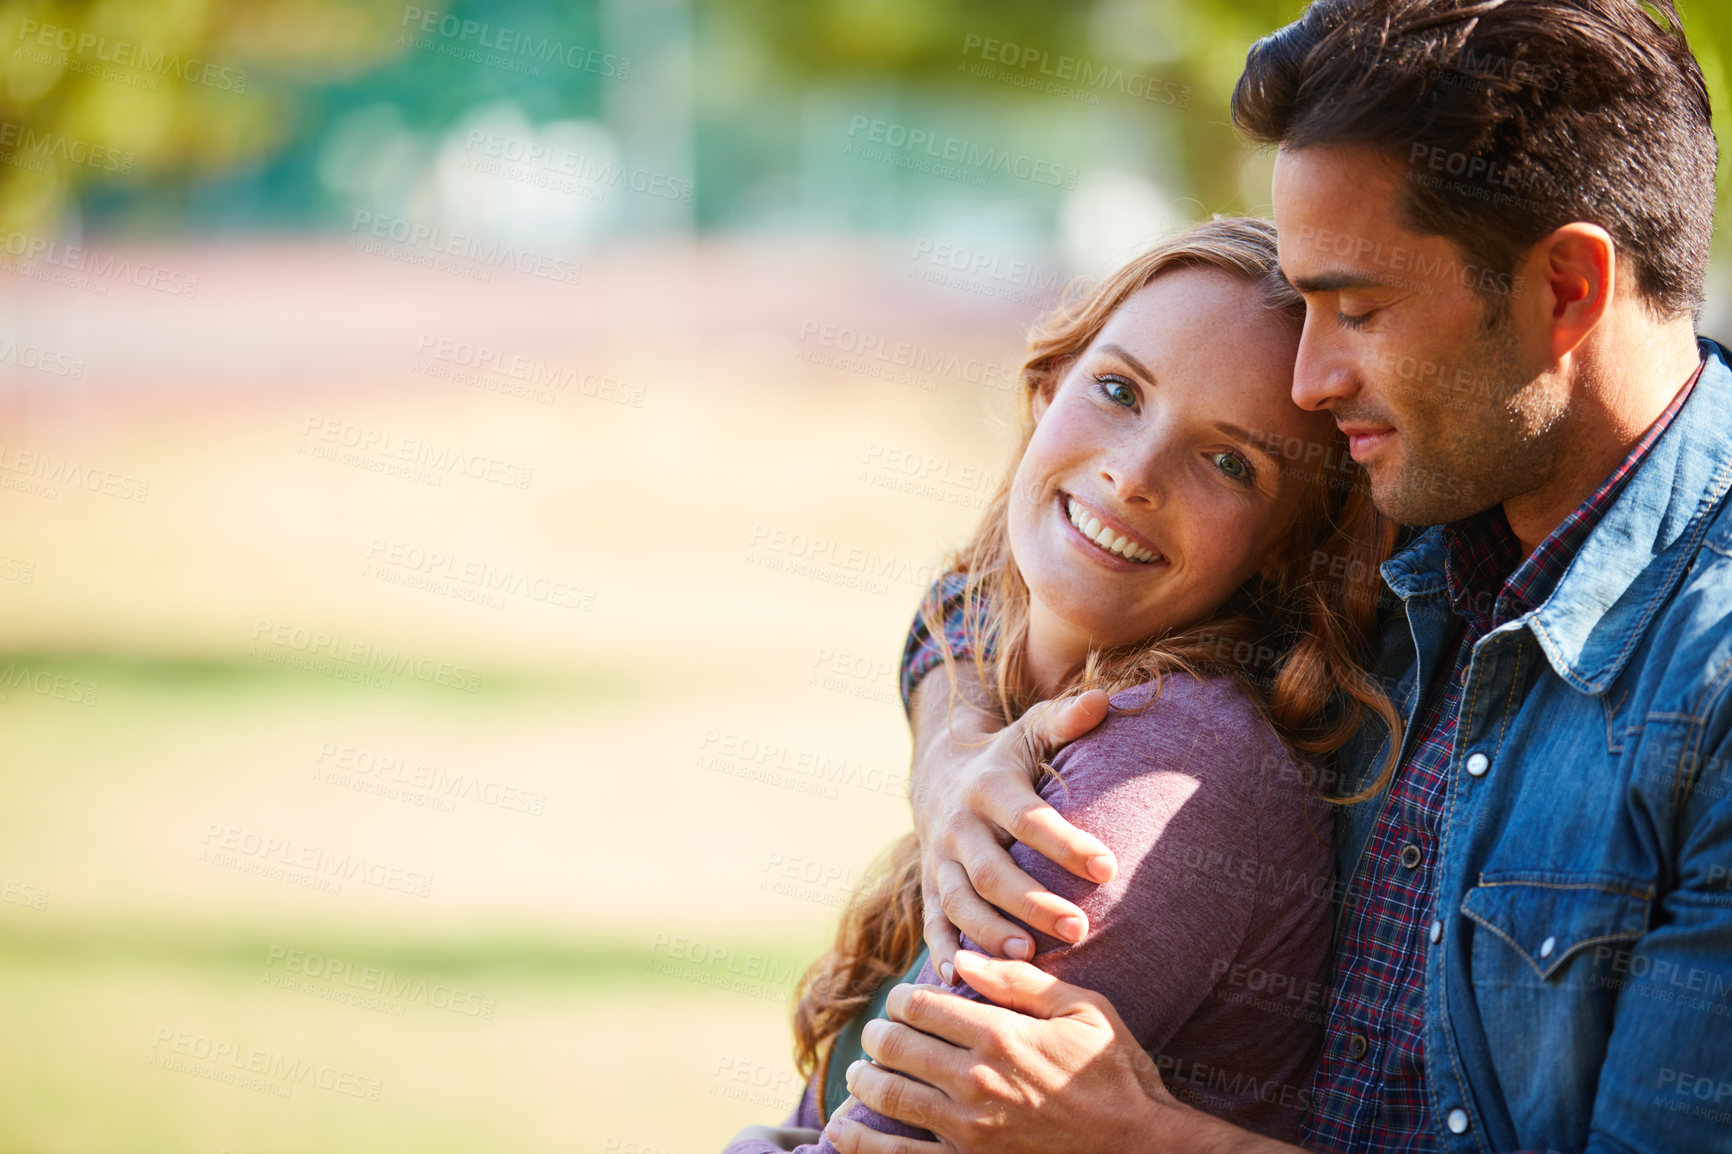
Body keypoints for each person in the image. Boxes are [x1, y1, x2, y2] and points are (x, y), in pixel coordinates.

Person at [829, 1, 1732, 1152]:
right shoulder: (1408, 504)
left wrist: (1139, 1136)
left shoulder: (1707, 689)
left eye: (1357, 308)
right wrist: (957, 758)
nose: (1307, 378)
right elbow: (992, 586)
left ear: (1564, 291)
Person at [722, 216, 1403, 1153]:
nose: (1132, 475)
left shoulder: (1167, 761)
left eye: (1229, 462)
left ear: (1286, 550)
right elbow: (957, 599)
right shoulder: (1013, 695)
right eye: (1119, 390)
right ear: (1048, 387)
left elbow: (885, 1133)